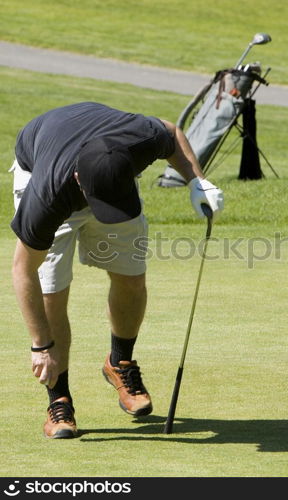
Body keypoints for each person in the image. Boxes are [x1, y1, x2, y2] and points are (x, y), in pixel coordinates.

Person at [10, 101, 224, 439]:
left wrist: (198, 181)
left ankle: (119, 363)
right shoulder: (46, 195)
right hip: (44, 164)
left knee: (131, 277)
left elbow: (170, 130)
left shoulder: (139, 140)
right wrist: (40, 346)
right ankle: (59, 399)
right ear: (79, 181)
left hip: (105, 162)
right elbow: (24, 271)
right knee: (52, 290)